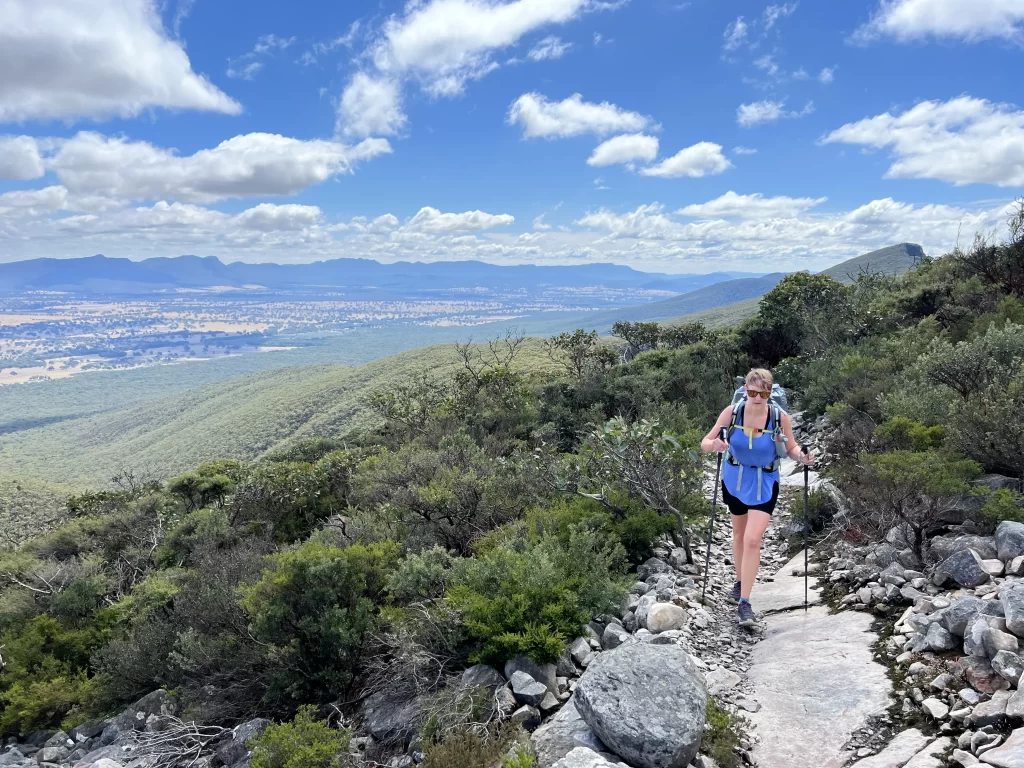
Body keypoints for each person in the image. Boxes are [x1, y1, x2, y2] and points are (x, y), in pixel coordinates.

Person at [701, 368, 814, 627]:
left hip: (765, 482)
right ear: (746, 391)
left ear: (770, 392)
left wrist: (802, 458)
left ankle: (745, 603)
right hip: (734, 480)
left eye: (763, 393)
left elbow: (791, 447)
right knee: (739, 535)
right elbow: (705, 442)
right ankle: (740, 580)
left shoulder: (778, 416)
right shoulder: (732, 413)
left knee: (753, 539)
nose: (757, 397)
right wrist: (714, 445)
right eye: (752, 392)